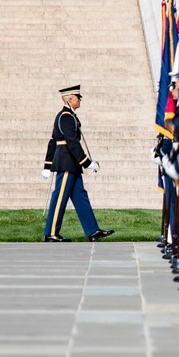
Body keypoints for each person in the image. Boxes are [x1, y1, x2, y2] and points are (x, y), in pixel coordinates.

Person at [41, 85, 114, 243]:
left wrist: (48, 164)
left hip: (71, 163)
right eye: (77, 97)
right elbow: (71, 143)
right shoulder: (65, 117)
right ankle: (51, 233)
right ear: (69, 99)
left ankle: (92, 230)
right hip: (67, 163)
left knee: (81, 196)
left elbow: (53, 141)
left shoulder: (68, 116)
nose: (80, 100)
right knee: (60, 198)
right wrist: (87, 163)